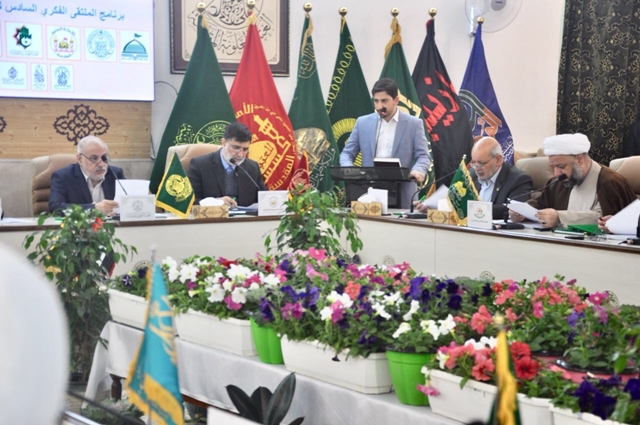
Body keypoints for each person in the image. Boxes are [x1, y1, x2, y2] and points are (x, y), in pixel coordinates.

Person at [339, 78, 431, 209]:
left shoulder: (414, 124)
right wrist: (348, 168)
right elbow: (347, 153)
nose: (379, 106)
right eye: (376, 101)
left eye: (384, 101)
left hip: (402, 193)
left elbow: (423, 155)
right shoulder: (362, 123)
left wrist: (418, 171)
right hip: (369, 194)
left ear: (396, 100)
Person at [510, 133, 635, 227]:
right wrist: (522, 213)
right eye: (553, 167)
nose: (556, 173)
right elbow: (540, 205)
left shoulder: (610, 182)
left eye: (561, 166)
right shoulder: (558, 182)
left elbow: (603, 219)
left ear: (579, 159)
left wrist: (559, 217)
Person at [416, 136, 532, 218]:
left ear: (498, 160)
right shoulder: (471, 174)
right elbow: (455, 198)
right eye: (474, 163)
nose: (476, 168)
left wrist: (470, 209)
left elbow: (512, 210)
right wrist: (434, 205)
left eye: (481, 163)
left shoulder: (518, 180)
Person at [187, 122, 267, 207]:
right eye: (236, 148)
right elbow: (189, 203)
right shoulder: (199, 165)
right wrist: (216, 202)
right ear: (224, 143)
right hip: (215, 215)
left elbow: (265, 199)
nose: (240, 155)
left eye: (245, 149)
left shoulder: (253, 167)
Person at [49, 136, 124, 215]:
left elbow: (129, 203)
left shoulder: (115, 174)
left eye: (104, 158)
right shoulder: (63, 177)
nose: (101, 164)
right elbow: (55, 208)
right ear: (80, 159)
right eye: (94, 158)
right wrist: (94, 209)